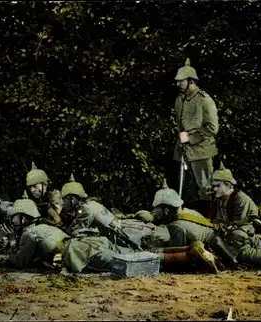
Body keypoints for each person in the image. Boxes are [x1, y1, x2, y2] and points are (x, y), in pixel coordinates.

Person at [59, 174, 219, 274]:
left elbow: (75, 232)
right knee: (150, 253)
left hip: (130, 235)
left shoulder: (86, 210)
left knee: (140, 257)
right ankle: (190, 252)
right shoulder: (92, 205)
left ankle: (189, 257)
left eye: (65, 199)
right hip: (130, 232)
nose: (63, 203)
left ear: (73, 198)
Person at [172, 58, 219, 218]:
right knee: (183, 187)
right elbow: (179, 123)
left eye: (181, 81)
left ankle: (209, 220)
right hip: (183, 149)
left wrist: (191, 138)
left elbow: (212, 128)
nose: (178, 84)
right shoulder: (180, 99)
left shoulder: (204, 100)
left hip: (201, 150)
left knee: (206, 189)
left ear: (191, 81)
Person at [24, 161, 64, 227]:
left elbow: (57, 214)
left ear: (44, 185)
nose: (32, 190)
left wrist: (47, 209)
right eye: (30, 187)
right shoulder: (29, 199)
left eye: (35, 186)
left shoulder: (54, 194)